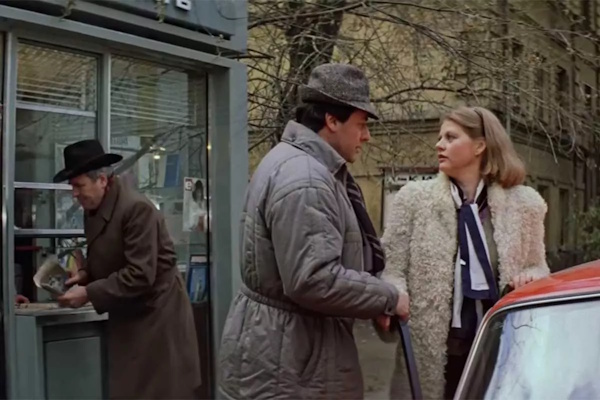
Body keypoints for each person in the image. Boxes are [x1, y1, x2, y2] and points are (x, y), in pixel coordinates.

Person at [218, 63, 408, 400]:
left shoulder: (298, 163)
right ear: (332, 121)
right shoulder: (307, 178)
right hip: (293, 361)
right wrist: (387, 297)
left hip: (285, 350)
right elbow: (314, 279)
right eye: (361, 125)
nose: (367, 136)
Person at [378, 106, 550, 399]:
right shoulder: (413, 200)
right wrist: (394, 296)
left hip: (498, 348)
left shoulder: (524, 205)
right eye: (440, 137)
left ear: (480, 146)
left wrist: (529, 277)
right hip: (430, 350)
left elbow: (539, 267)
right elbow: (391, 270)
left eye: (450, 137)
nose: (439, 144)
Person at [54, 139, 202, 399]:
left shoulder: (136, 209)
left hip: (157, 318)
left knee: (158, 391)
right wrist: (85, 275)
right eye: (72, 186)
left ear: (102, 180)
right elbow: (109, 257)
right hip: (131, 315)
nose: (74, 194)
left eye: (78, 185)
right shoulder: (95, 208)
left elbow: (140, 274)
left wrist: (88, 292)